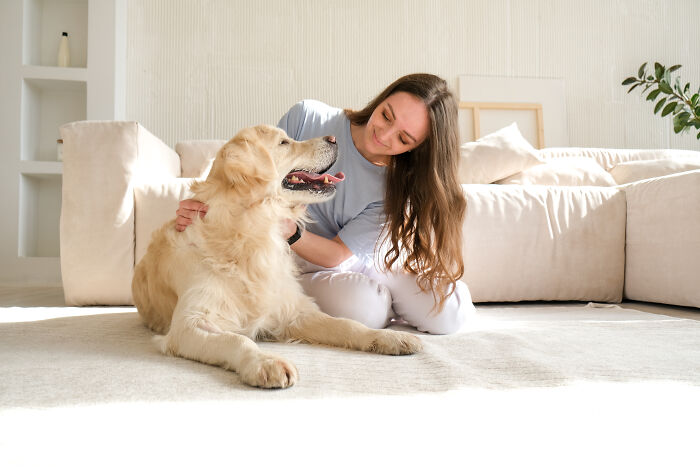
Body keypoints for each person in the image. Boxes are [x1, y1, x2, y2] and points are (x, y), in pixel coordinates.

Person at [176, 73, 474, 334]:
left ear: (418, 149)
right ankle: (385, 305)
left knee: (447, 315)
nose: (383, 135)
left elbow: (337, 255)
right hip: (291, 264)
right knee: (367, 310)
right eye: (386, 115)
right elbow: (255, 172)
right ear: (382, 99)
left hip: (357, 259)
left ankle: (402, 299)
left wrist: (289, 229)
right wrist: (204, 206)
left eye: (404, 138)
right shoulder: (307, 117)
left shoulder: (398, 185)